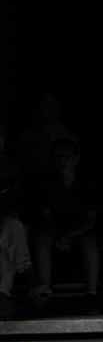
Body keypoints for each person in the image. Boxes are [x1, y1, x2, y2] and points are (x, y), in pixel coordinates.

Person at [29, 137, 102, 313]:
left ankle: (92, 294)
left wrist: (69, 236)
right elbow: (45, 216)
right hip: (54, 229)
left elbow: (91, 219)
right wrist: (59, 236)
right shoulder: (46, 183)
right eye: (59, 157)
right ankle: (44, 292)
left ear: (76, 158)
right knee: (41, 240)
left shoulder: (87, 182)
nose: (63, 161)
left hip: (80, 231)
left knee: (90, 243)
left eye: (67, 157)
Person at [0, 125, 33, 317]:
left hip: (5, 226)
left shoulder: (10, 171)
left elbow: (15, 202)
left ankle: (5, 292)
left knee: (12, 227)